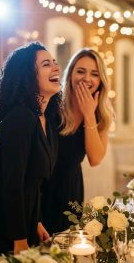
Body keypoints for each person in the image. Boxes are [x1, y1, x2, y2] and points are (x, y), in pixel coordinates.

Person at [0, 42, 61, 255]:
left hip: (27, 224)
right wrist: (20, 238)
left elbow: (33, 186)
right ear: (28, 76)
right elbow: (11, 185)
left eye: (54, 63)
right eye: (46, 64)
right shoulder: (20, 118)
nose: (56, 68)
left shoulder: (45, 120)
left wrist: (36, 221)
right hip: (7, 232)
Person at [42, 48, 113, 235]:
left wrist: (89, 115)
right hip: (42, 187)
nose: (86, 78)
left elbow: (95, 159)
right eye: (80, 71)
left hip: (70, 188)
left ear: (100, 81)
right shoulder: (52, 103)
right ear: (71, 73)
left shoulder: (102, 114)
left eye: (94, 74)